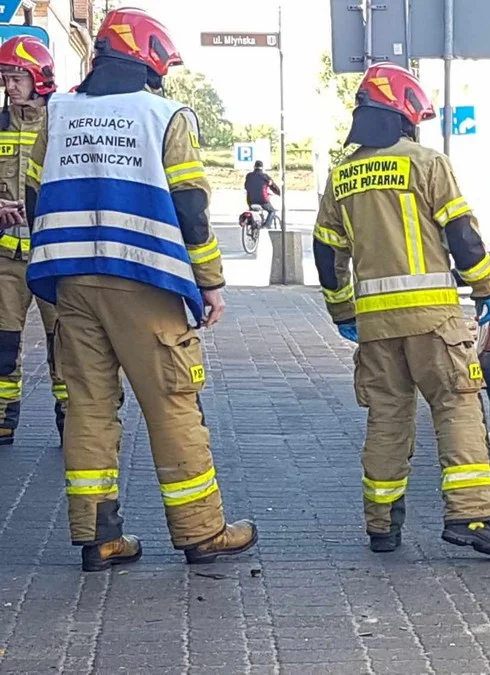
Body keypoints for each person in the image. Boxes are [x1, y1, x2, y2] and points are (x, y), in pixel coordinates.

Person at [23, 7, 257, 571]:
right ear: (151, 59)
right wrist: (209, 284)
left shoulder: (59, 112)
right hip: (144, 281)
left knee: (88, 407)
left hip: (71, 280)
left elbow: (34, 194)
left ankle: (97, 537)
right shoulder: (165, 115)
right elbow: (191, 209)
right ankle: (202, 532)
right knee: (173, 403)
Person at [312, 61, 490, 557]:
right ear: (405, 114)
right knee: (457, 406)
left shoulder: (342, 174)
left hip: (377, 328)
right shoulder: (426, 162)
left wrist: (343, 314)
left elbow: (325, 252)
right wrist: (486, 288)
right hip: (435, 322)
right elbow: (462, 235)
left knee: (387, 418)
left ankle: (382, 526)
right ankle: (470, 517)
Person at [0, 36, 68, 445]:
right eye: (5, 78)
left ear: (39, 78)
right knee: (3, 343)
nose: (9, 86)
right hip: (6, 256)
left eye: (16, 77)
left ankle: (72, 420)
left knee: (65, 345)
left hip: (53, 257)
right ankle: (3, 418)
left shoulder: (63, 126)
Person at [243, 160, 280, 229]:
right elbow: (274, 187)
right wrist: (279, 193)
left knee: (252, 210)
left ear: (254, 167)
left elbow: (246, 186)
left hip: (250, 201)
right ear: (262, 168)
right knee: (272, 211)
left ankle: (253, 226)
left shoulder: (249, 176)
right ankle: (266, 225)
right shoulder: (265, 177)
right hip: (262, 200)